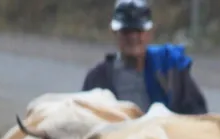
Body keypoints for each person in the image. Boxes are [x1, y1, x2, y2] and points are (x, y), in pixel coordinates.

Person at [81, 0, 209, 115]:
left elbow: (197, 115)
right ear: (115, 33)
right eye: (126, 31)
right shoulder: (97, 79)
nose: (133, 37)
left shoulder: (170, 70)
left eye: (138, 30)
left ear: (149, 33)